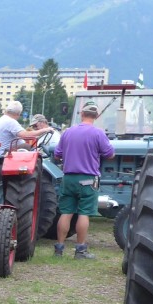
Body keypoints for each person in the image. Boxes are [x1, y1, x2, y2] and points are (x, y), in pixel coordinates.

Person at [51, 103, 113, 259]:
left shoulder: (68, 132)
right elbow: (110, 154)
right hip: (88, 179)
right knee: (84, 213)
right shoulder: (98, 133)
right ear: (96, 116)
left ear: (81, 114)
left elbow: (57, 154)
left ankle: (59, 249)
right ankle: (80, 250)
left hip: (69, 177)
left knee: (66, 213)